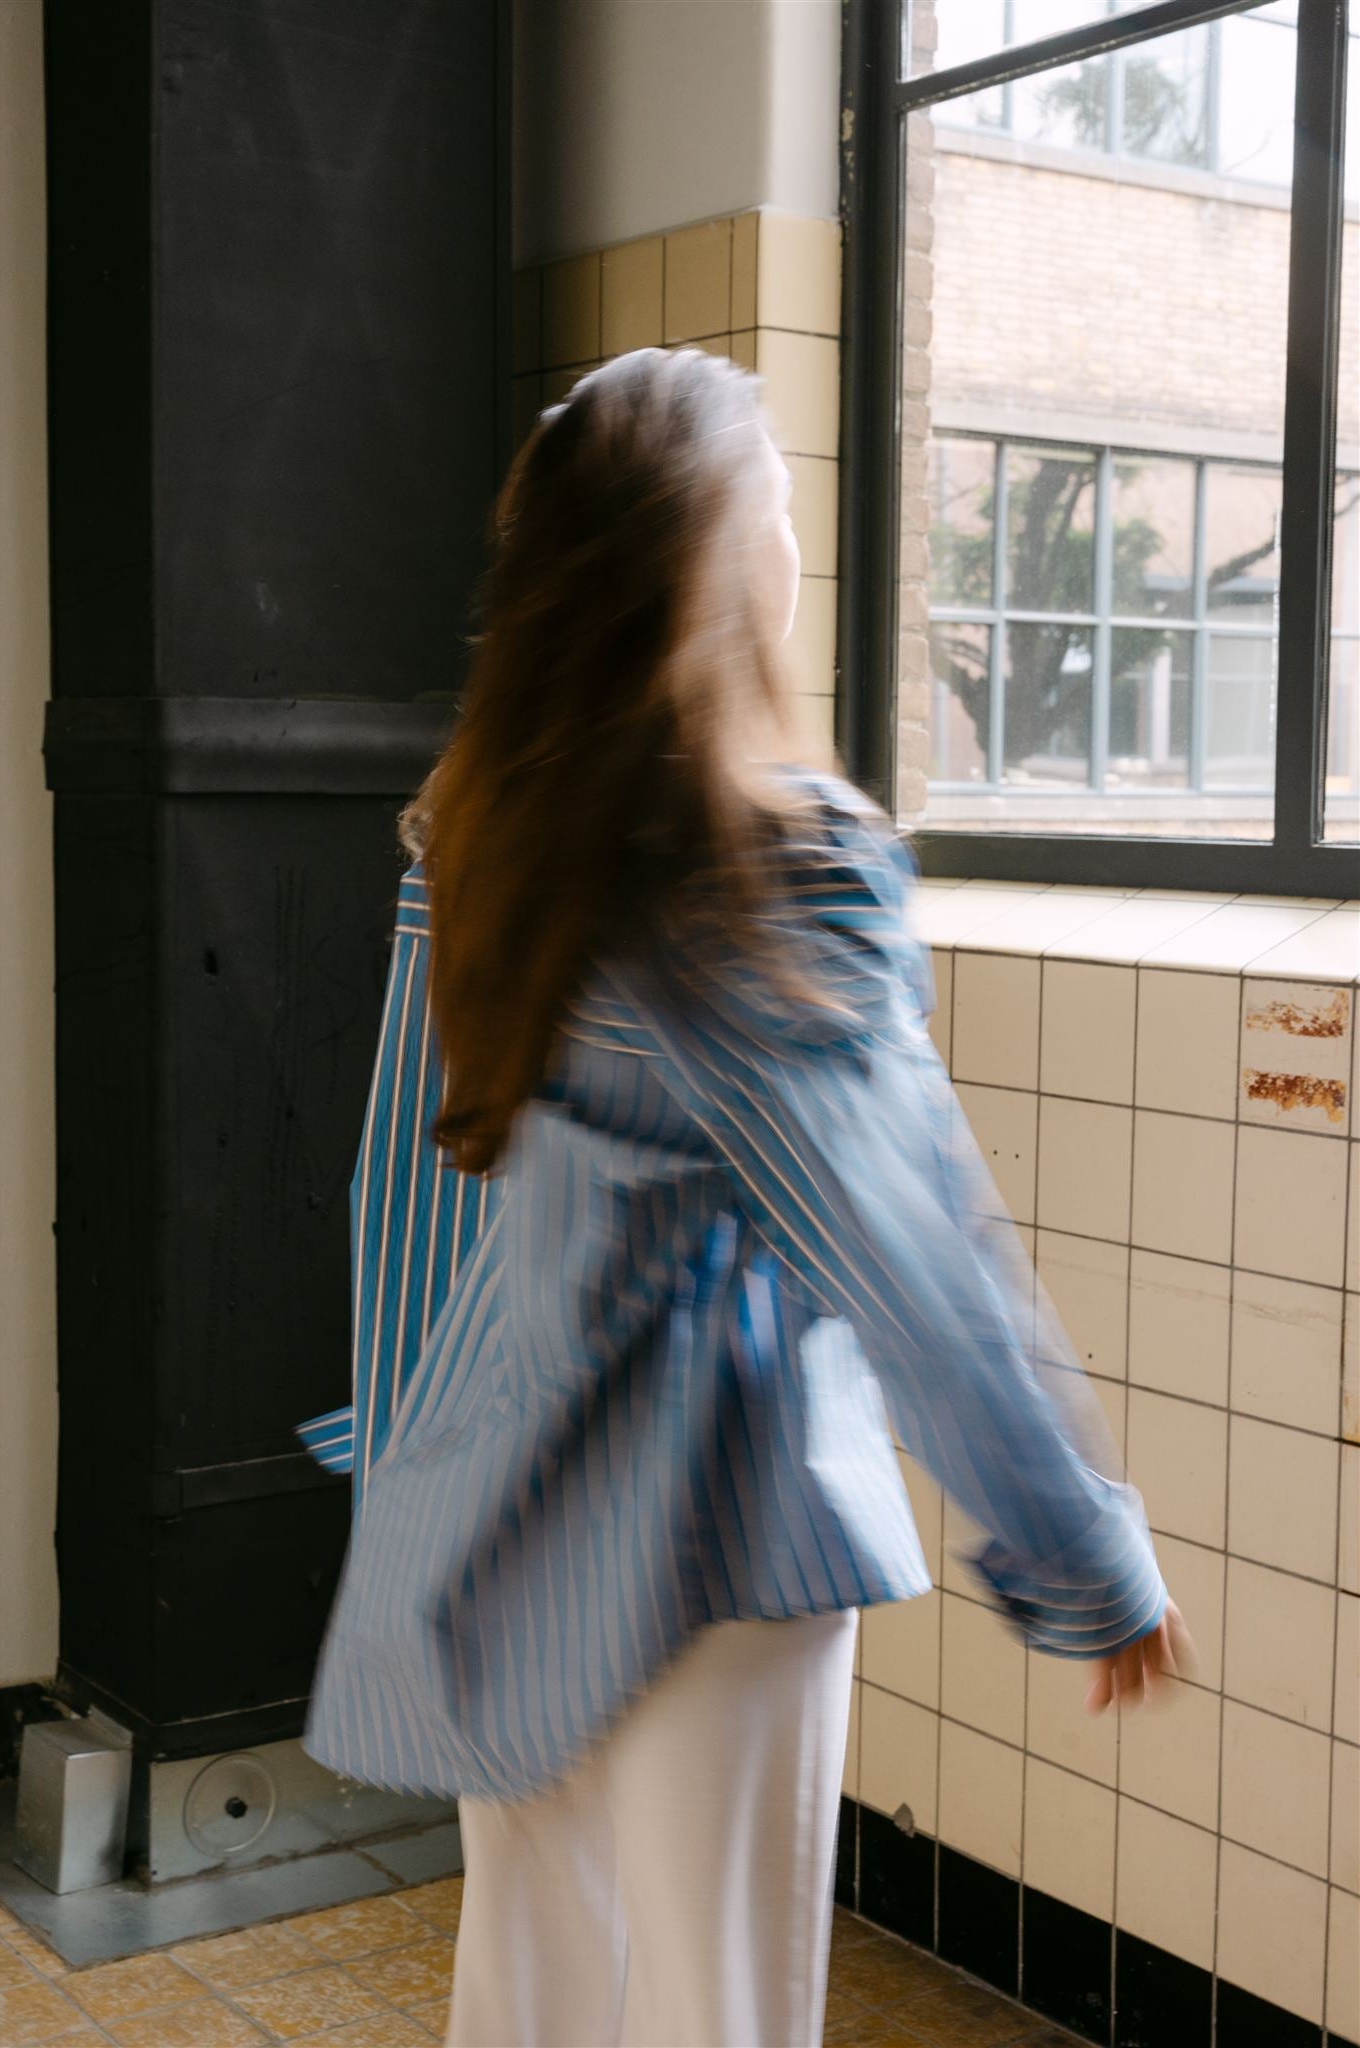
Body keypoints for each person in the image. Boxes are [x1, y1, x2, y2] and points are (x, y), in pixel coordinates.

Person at [300, 346, 1191, 2048]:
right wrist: (1080, 1553)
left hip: (493, 1500)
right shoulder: (770, 862)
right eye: (775, 501)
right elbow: (907, 1256)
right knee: (715, 2009)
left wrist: (406, 1470)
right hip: (715, 1533)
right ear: (719, 558)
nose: (792, 534)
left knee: (531, 1996)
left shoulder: (476, 834)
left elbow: (410, 1187)